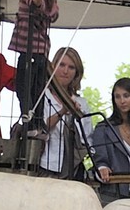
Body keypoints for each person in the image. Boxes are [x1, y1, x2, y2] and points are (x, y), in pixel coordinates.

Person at [9, 0, 59, 138]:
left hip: (29, 50)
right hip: (41, 51)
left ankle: (30, 123)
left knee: (24, 88)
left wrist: (38, 3)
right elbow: (52, 14)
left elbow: (35, 4)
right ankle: (38, 123)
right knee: (37, 88)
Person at [91, 77, 130, 205]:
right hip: (113, 196)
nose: (122, 101)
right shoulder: (103, 128)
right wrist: (102, 168)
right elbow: (99, 160)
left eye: (126, 96)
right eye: (117, 97)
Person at [34, 46, 94, 179]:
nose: (65, 71)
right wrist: (63, 110)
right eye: (61, 65)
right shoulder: (43, 97)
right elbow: (42, 127)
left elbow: (87, 138)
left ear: (76, 73)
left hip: (73, 168)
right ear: (53, 66)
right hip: (44, 166)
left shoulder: (82, 103)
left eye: (71, 67)